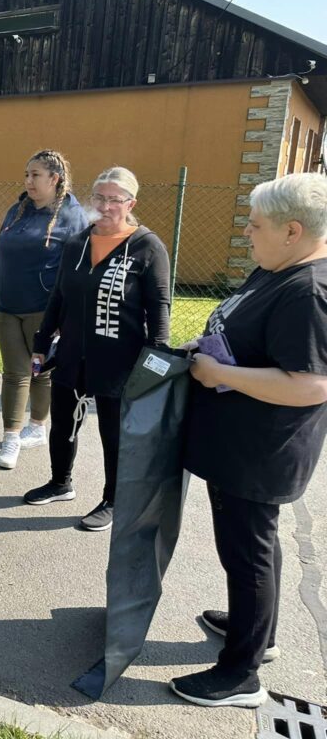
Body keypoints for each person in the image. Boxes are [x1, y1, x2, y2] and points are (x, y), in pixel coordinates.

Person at [168, 173, 327, 708]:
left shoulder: (309, 290)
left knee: (247, 554)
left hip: (260, 452)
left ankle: (241, 675)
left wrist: (220, 375)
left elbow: (310, 385)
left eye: (256, 225)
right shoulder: (277, 269)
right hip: (238, 443)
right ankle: (260, 631)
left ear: (293, 231)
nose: (246, 233)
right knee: (254, 548)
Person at [24, 166, 170, 532]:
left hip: (120, 361)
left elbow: (159, 311)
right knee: (63, 423)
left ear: (131, 203)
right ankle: (60, 482)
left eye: (114, 200)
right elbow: (58, 298)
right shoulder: (78, 242)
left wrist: (154, 365)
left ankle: (114, 499)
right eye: (99, 198)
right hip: (72, 352)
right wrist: (41, 344)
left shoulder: (147, 247)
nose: (105, 206)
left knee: (114, 434)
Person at [0, 150, 88, 469]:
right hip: (7, 307)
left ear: (54, 179)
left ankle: (37, 427)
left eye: (35, 175)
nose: (28, 181)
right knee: (16, 372)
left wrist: (67, 314)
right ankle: (11, 436)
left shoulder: (72, 215)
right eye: (26, 174)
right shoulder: (17, 210)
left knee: (41, 371)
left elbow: (79, 269)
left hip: (45, 310)